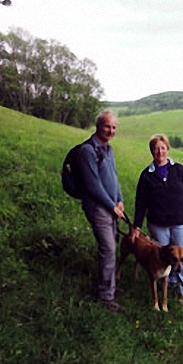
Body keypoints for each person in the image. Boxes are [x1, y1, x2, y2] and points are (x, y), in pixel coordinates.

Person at [131, 134, 183, 305]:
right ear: (152, 151)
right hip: (157, 224)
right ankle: (171, 282)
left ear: (167, 149)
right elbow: (140, 203)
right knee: (163, 257)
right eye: (156, 148)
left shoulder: (179, 170)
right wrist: (137, 226)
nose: (159, 152)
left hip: (181, 221)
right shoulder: (146, 175)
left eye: (162, 148)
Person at [78, 110, 125, 312]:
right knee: (109, 250)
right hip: (99, 208)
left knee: (111, 247)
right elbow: (93, 186)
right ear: (98, 126)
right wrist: (111, 205)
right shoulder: (87, 151)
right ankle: (105, 298)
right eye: (107, 126)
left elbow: (113, 177)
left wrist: (120, 200)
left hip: (112, 208)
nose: (110, 130)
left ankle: (109, 286)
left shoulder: (108, 149)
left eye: (114, 127)